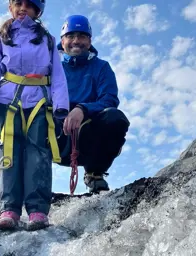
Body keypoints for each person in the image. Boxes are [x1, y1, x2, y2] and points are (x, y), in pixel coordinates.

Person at [0, 0, 69, 231]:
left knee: (38, 152)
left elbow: (57, 74)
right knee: (9, 150)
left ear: (37, 11)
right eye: (18, 3)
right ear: (10, 7)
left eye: (29, 5)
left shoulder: (47, 40)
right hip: (8, 100)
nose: (22, 9)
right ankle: (9, 208)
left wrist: (61, 105)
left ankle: (38, 209)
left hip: (39, 100)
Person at [56, 15, 130, 193]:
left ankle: (95, 173)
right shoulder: (54, 68)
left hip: (88, 133)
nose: (76, 41)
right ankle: (35, 185)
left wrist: (82, 109)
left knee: (115, 118)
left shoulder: (101, 67)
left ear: (89, 41)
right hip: (57, 132)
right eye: (71, 36)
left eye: (81, 36)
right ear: (62, 41)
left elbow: (109, 98)